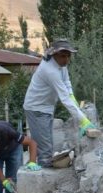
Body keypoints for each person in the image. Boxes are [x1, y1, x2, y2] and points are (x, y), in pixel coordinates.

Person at [23, 39, 95, 167]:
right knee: (45, 148)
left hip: (46, 106)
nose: (66, 59)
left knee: (47, 142)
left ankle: (44, 168)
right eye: (63, 56)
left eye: (68, 56)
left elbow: (67, 84)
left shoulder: (61, 65)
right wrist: (83, 120)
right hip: (36, 108)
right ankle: (44, 179)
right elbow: (64, 98)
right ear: (54, 54)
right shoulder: (50, 71)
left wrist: (73, 99)